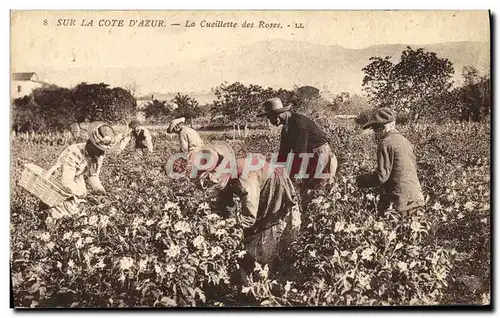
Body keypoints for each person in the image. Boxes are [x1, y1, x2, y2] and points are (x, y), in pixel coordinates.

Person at [187, 145, 301, 285]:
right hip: (265, 189)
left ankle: (268, 280)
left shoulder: (245, 178)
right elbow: (224, 202)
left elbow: (249, 217)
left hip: (277, 194)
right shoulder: (227, 170)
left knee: (266, 241)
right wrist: (217, 219)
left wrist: (230, 229)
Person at [256, 97, 338, 195]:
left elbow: (300, 153)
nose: (270, 121)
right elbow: (283, 154)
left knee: (319, 190)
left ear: (278, 115)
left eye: (270, 118)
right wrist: (277, 173)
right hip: (309, 157)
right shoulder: (286, 128)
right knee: (305, 191)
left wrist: (292, 177)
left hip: (320, 156)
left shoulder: (298, 124)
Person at [356, 107, 425, 218]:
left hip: (400, 202)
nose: (375, 134)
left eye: (375, 129)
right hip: (416, 199)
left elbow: (381, 176)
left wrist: (359, 180)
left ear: (383, 128)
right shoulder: (405, 140)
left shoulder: (385, 143)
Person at [40, 121, 116, 221]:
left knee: (79, 210)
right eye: (99, 149)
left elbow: (93, 175)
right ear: (91, 144)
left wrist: (100, 190)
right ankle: (46, 214)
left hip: (76, 177)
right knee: (64, 212)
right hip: (59, 178)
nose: (101, 153)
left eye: (103, 150)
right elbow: (66, 181)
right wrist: (82, 196)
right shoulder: (74, 152)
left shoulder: (98, 155)